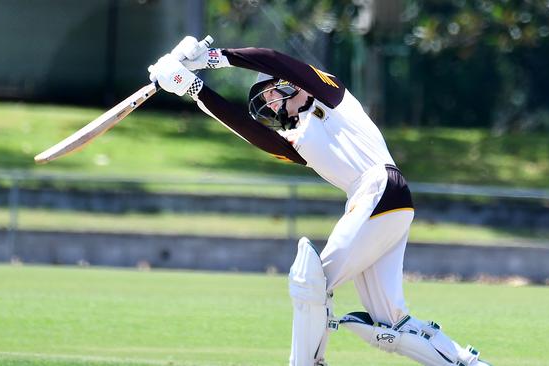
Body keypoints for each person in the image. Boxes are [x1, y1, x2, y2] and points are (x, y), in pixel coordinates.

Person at [148, 36, 492, 366]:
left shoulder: (331, 96)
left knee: (309, 283)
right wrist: (192, 88)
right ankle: (467, 362)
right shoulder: (295, 140)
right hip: (383, 202)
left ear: (290, 85)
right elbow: (247, 130)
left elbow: (274, 59)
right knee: (389, 324)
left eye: (271, 95)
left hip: (379, 187)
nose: (270, 107)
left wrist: (212, 58)